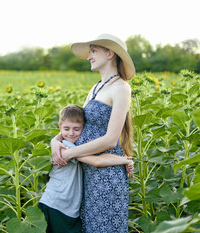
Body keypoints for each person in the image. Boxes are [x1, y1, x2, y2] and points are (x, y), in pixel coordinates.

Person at [51, 34, 136, 233]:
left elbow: (110, 139)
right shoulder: (95, 88)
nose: (89, 56)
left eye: (93, 51)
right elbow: (75, 125)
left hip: (107, 175)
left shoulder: (121, 88)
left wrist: (70, 153)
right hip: (89, 172)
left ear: (110, 53)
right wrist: (55, 141)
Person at [39, 104, 134, 233]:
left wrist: (55, 140)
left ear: (84, 128)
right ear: (60, 127)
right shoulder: (66, 146)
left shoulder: (74, 145)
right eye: (66, 129)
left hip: (65, 207)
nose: (71, 133)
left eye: (76, 129)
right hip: (57, 205)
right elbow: (97, 161)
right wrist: (124, 160)